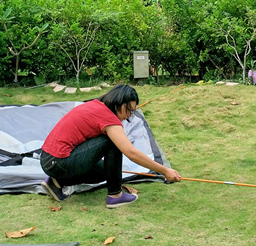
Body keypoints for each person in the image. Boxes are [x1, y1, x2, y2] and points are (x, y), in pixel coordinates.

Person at [39, 84, 181, 208]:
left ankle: (56, 182)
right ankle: (116, 196)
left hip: (48, 160)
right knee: (111, 141)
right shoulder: (107, 117)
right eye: (129, 110)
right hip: (59, 162)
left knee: (107, 172)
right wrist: (164, 171)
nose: (129, 116)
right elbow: (130, 152)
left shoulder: (95, 105)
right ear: (119, 102)